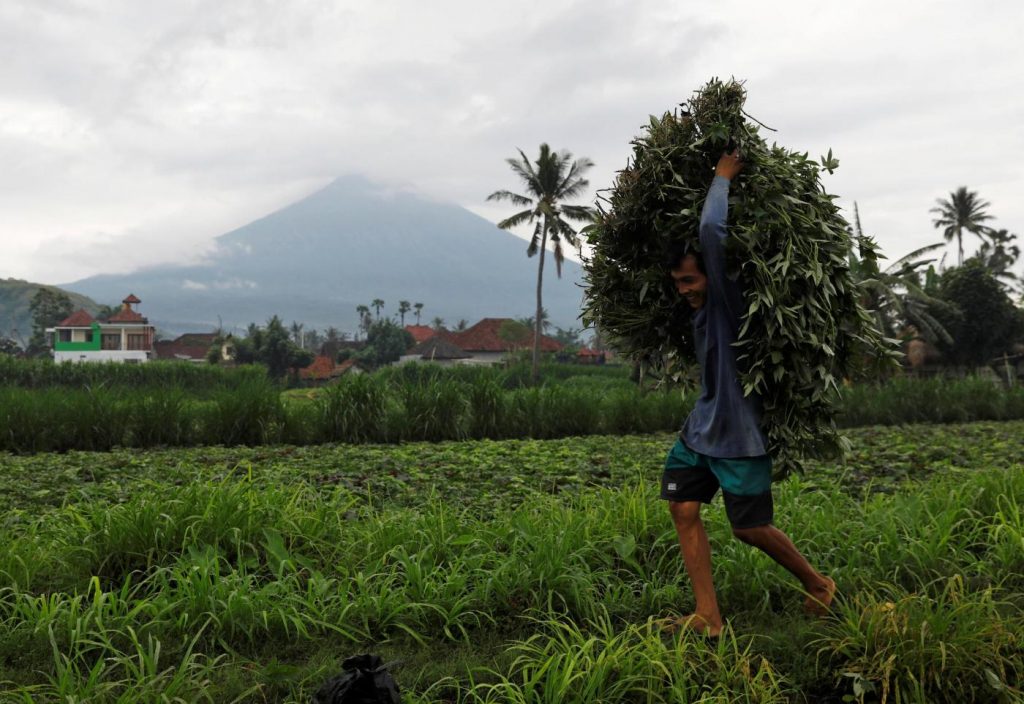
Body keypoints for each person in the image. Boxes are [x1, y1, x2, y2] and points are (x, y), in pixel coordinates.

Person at [660, 149, 835, 637]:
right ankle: (708, 617)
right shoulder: (698, 309)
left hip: (738, 435)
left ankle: (820, 584)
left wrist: (721, 179)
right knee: (682, 506)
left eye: (690, 280)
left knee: (748, 528)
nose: (684, 289)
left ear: (710, 276)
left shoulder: (728, 300)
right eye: (677, 282)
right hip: (701, 430)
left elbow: (712, 236)